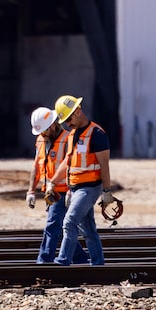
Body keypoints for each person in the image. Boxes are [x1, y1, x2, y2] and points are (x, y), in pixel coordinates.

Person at [45, 95, 112, 266]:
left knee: (69, 221)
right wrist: (52, 182)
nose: (67, 124)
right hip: (74, 188)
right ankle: (98, 264)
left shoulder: (97, 134)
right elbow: (67, 161)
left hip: (89, 188)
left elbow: (104, 164)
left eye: (69, 119)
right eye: (65, 121)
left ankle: (63, 260)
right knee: (88, 229)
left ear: (78, 111)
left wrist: (106, 191)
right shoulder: (72, 135)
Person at [26, 107, 89, 264]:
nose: (42, 134)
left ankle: (43, 261)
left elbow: (73, 167)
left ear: (53, 125)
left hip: (64, 192)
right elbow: (37, 166)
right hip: (51, 194)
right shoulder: (41, 140)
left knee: (52, 226)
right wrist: (31, 191)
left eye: (45, 130)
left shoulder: (68, 139)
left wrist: (70, 191)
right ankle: (81, 259)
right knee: (60, 229)